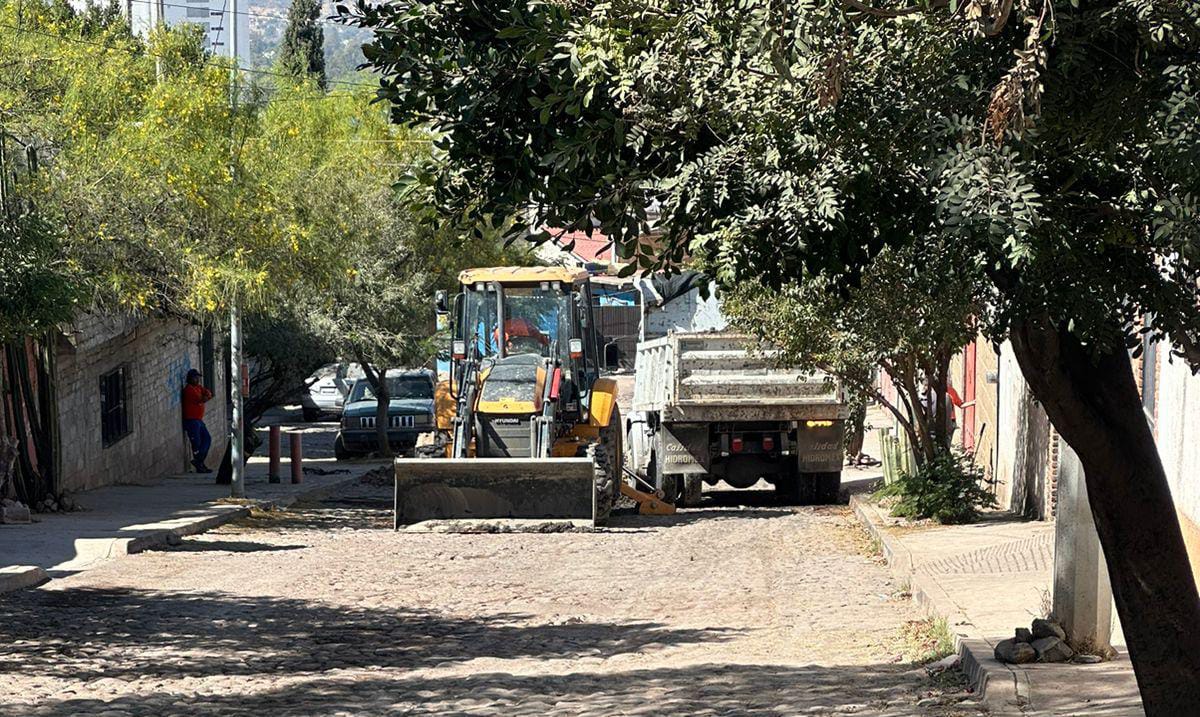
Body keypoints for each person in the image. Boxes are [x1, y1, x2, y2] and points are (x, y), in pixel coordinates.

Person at [181, 369, 214, 473]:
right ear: (190, 378)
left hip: (199, 420)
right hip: (191, 420)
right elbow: (201, 398)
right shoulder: (189, 389)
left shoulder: (198, 387)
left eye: (198, 377)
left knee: (207, 439)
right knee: (197, 443)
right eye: (195, 377)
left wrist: (207, 395)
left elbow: (208, 393)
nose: (197, 379)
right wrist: (206, 396)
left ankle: (198, 461)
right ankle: (199, 464)